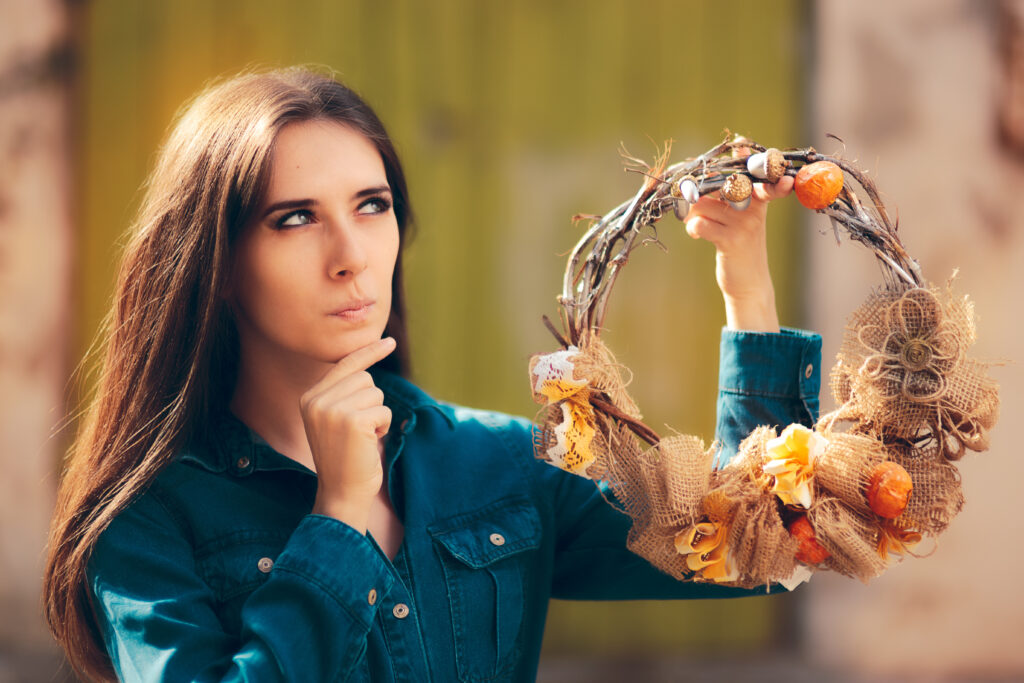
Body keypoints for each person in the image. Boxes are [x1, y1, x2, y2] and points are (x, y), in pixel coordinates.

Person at [43, 67, 821, 682]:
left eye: (371, 205)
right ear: (215, 264)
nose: (350, 253)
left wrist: (744, 283)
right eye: (295, 217)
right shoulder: (147, 524)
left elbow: (761, 551)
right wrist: (341, 516)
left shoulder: (496, 466)